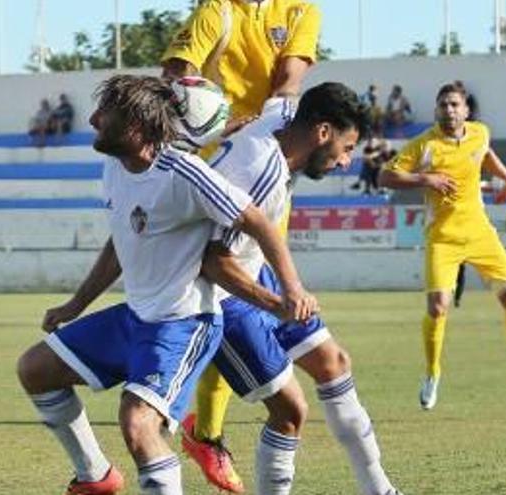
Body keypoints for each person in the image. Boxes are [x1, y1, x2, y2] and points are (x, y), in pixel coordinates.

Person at [14, 75, 316, 495]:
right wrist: (76, 304)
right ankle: (96, 476)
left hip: (182, 322)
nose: (94, 119)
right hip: (137, 315)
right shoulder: (114, 166)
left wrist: (291, 290)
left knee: (138, 423)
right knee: (36, 369)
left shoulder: (185, 174)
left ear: (138, 126)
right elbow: (122, 238)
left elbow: (258, 222)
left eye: (107, 115)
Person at [195, 82, 401, 495]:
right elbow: (208, 259)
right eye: (346, 148)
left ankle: (379, 490)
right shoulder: (261, 174)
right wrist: (277, 302)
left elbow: (286, 89)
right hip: (218, 294)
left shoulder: (284, 119)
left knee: (333, 364)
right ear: (322, 132)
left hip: (251, 269)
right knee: (289, 412)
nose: (346, 162)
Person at [161, 1, 320, 489]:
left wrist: (271, 114)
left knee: (235, 299)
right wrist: (204, 116)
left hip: (267, 169)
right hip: (211, 167)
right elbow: (178, 70)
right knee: (200, 296)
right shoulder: (218, 8)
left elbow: (291, 73)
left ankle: (201, 430)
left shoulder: (299, 9)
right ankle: (177, 413)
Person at [379, 83, 506, 411]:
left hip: (480, 233)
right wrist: (427, 179)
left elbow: (484, 152)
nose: (448, 110)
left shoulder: (479, 133)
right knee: (438, 307)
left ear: (465, 110)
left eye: (454, 105)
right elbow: (385, 176)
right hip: (443, 237)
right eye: (443, 105)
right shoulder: (425, 145)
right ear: (437, 111)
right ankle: (432, 373)